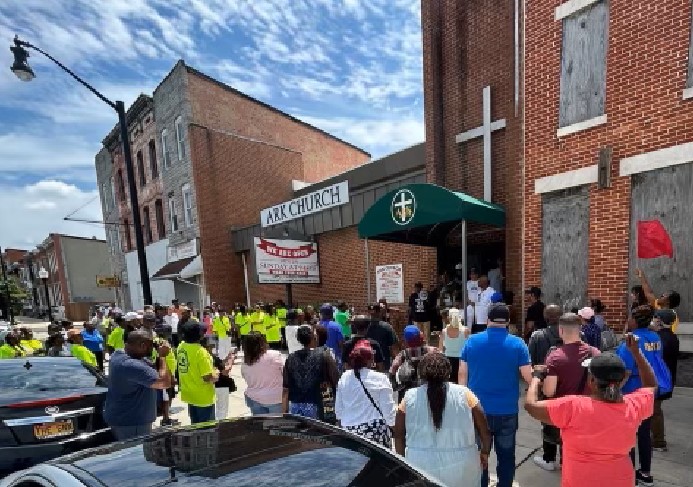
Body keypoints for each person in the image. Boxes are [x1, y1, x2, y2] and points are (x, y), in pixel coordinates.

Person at [525, 335, 657, 487]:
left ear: (592, 381)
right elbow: (651, 386)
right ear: (622, 379)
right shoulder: (634, 405)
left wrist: (536, 377)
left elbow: (531, 406)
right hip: (621, 480)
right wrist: (636, 353)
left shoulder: (573, 406)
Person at [459, 303, 532, 487]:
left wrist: (463, 402)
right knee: (506, 455)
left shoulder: (472, 341)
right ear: (507, 321)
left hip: (477, 410)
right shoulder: (518, 344)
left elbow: (462, 375)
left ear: (488, 319)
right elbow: (528, 377)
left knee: (479, 455)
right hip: (506, 411)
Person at [394, 352, 491, 487]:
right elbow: (484, 431)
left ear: (421, 372)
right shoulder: (466, 394)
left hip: (419, 465)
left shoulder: (409, 397)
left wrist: (403, 461)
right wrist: (485, 452)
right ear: (448, 371)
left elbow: (398, 435)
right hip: (463, 466)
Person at [532, 312, 600, 471]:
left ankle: (550, 460)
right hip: (587, 409)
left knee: (559, 436)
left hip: (562, 410)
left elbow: (549, 391)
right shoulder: (595, 353)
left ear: (561, 330)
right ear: (580, 329)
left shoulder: (555, 357)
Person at [616, 305, 664, 486]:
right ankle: (645, 472)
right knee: (644, 433)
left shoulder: (630, 341)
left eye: (629, 318)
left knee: (629, 434)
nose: (627, 321)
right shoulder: (655, 337)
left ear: (634, 321)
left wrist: (614, 391)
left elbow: (625, 371)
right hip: (650, 390)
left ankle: (629, 474)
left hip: (631, 391)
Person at [104, 329, 172, 440]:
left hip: (124, 419)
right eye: (150, 346)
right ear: (142, 345)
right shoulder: (130, 365)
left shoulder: (118, 354)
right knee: (137, 454)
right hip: (132, 423)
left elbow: (149, 368)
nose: (153, 349)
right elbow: (164, 382)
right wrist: (163, 356)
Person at [336, 340, 395, 447]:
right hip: (375, 431)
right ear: (370, 359)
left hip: (350, 432)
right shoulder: (381, 379)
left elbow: (339, 412)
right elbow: (389, 413)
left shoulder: (344, 378)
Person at [283, 325, 339, 419]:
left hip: (296, 406)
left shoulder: (291, 358)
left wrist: (284, 412)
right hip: (320, 405)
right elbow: (336, 380)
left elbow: (285, 389)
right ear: (314, 337)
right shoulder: (324, 355)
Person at [177, 321, 219, 424]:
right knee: (207, 431)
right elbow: (208, 377)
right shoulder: (201, 352)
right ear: (200, 336)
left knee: (195, 427)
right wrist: (216, 372)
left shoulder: (181, 347)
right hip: (203, 398)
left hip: (189, 395)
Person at [651, 308, 680, 452]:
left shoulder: (661, 338)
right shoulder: (672, 336)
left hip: (660, 381)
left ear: (660, 321)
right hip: (666, 380)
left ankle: (658, 441)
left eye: (656, 318)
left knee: (655, 410)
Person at [241, 332, 285, 415]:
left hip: (254, 398)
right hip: (275, 399)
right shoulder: (275, 355)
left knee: (259, 426)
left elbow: (244, 377)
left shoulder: (245, 361)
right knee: (277, 426)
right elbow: (286, 373)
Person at [390, 325, 437, 402]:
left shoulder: (404, 353)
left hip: (407, 389)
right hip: (425, 387)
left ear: (406, 340)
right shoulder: (430, 350)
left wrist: (394, 383)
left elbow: (394, 367)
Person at [636, 268, 681, 333]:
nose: (661, 296)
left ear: (668, 301)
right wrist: (641, 276)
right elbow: (649, 293)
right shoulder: (659, 307)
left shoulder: (671, 316)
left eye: (664, 295)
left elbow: (668, 333)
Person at [205, 341, 235, 420]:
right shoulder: (212, 358)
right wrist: (231, 360)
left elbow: (220, 365)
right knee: (222, 411)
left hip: (210, 386)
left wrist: (227, 358)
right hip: (221, 386)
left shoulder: (204, 358)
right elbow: (225, 371)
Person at [438, 307, 468, 382]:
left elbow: (440, 350)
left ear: (449, 318)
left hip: (448, 361)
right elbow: (469, 348)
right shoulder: (465, 331)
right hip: (462, 361)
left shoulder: (444, 332)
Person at [319, 303, 344, 368]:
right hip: (335, 360)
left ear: (321, 314)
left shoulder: (316, 326)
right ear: (332, 314)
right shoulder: (337, 326)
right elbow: (341, 344)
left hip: (320, 360)